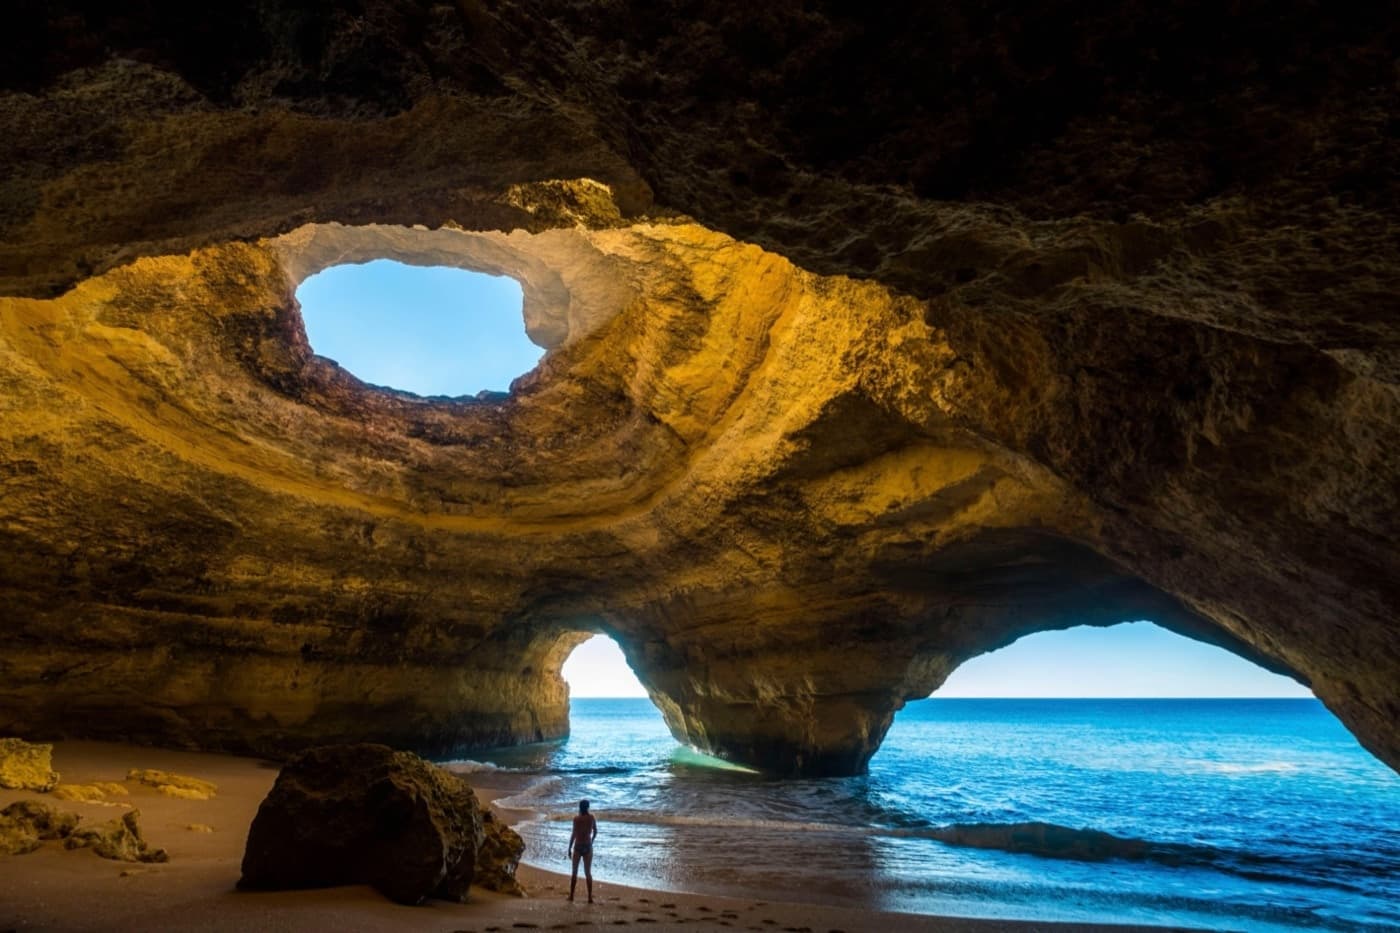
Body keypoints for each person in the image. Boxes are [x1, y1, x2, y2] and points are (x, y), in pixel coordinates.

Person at [567, 798, 597, 903]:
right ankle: (589, 897)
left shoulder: (576, 819)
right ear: (588, 807)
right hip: (588, 846)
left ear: (579, 807)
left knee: (574, 872)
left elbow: (574, 834)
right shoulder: (591, 818)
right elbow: (595, 831)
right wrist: (591, 841)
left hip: (578, 846)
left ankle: (571, 896)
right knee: (588, 873)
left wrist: (569, 847)